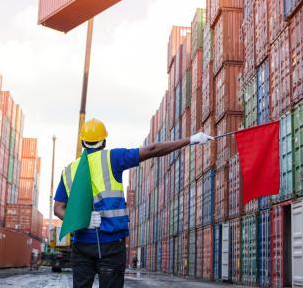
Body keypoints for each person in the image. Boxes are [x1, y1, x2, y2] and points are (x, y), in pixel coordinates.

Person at [53, 118, 212, 288]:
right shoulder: (113, 158)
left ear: (83, 142)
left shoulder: (69, 170)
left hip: (82, 246)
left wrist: (82, 220)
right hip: (111, 246)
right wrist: (190, 140)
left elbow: (58, 209)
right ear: (104, 141)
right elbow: (153, 149)